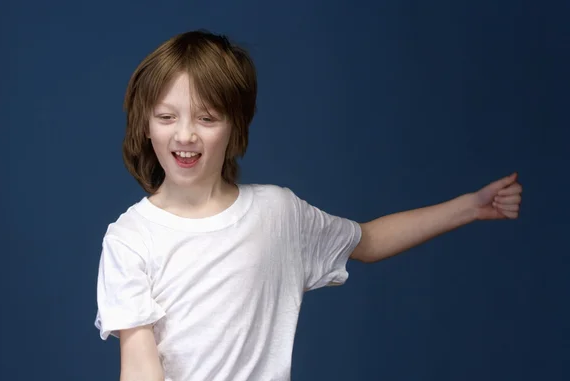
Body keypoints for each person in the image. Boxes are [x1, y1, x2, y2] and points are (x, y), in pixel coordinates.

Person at [94, 30, 523, 381]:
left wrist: (470, 206)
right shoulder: (130, 239)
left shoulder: (279, 214)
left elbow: (368, 240)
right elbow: (139, 368)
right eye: (167, 117)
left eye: (206, 118)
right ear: (145, 125)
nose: (185, 135)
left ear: (234, 126)